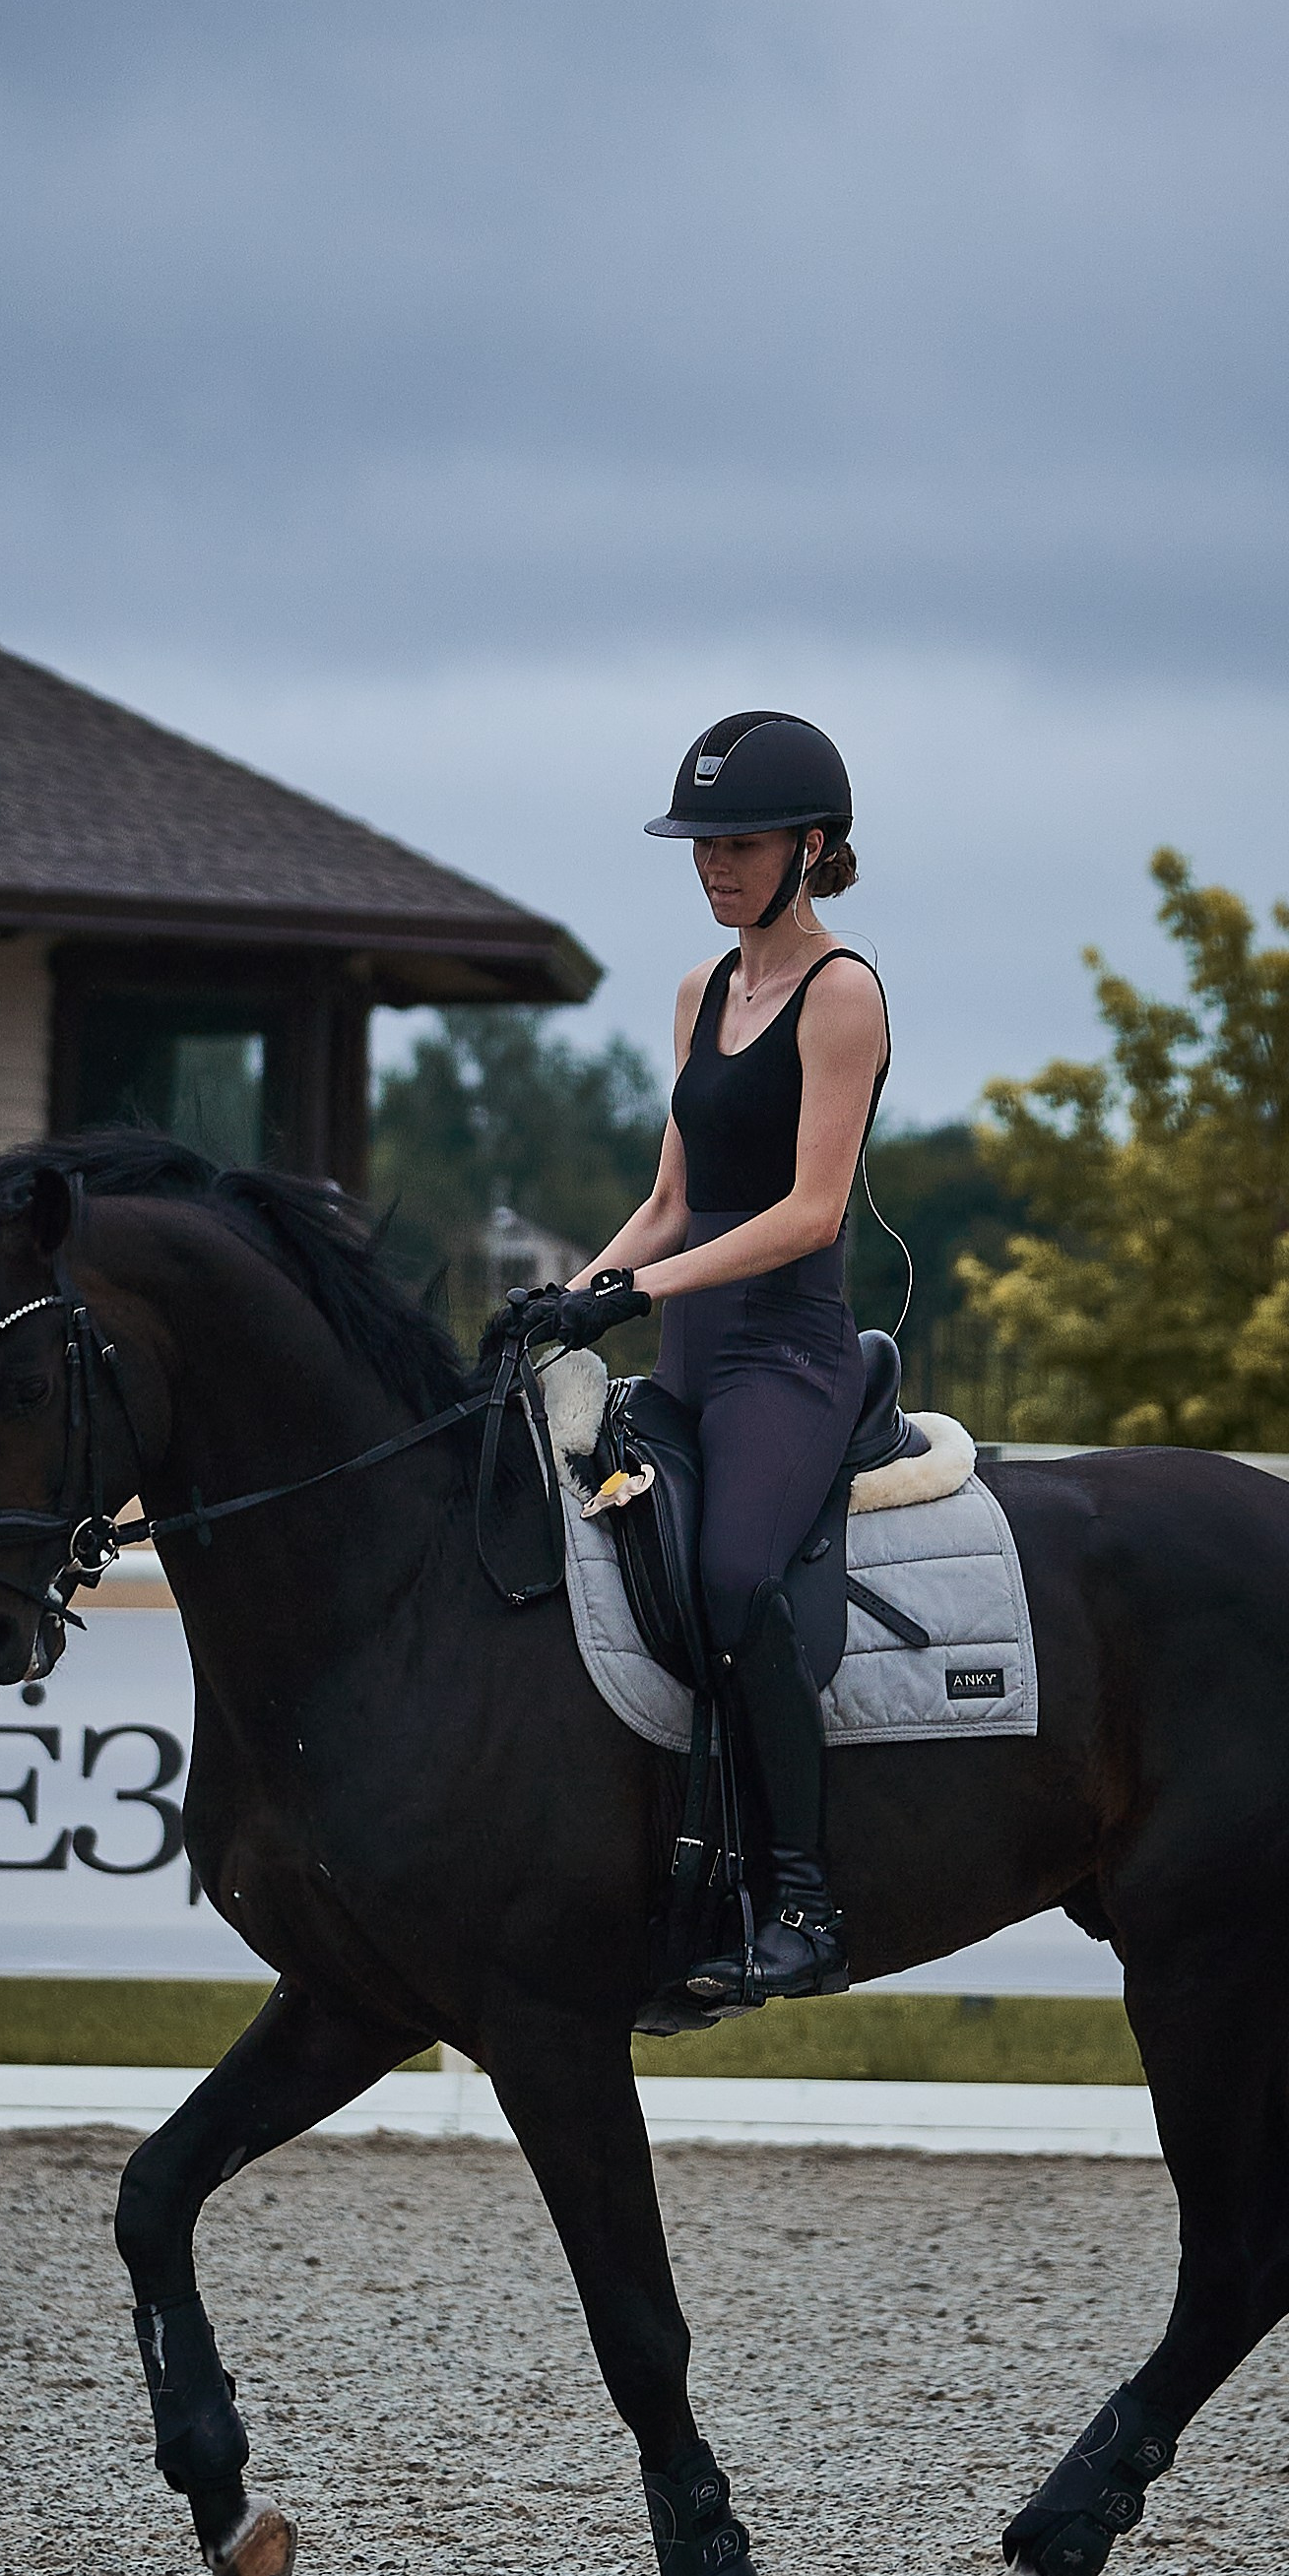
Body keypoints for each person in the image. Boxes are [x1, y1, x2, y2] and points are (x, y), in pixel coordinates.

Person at [527, 711, 890, 2007]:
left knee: (735, 1576)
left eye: (735, 842)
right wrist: (566, 1296)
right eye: (698, 843)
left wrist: (633, 1293)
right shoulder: (697, 991)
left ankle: (803, 1899)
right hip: (688, 1356)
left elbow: (809, 1212)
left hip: (785, 1358)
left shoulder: (842, 993)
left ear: (809, 847)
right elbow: (674, 1197)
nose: (711, 865)